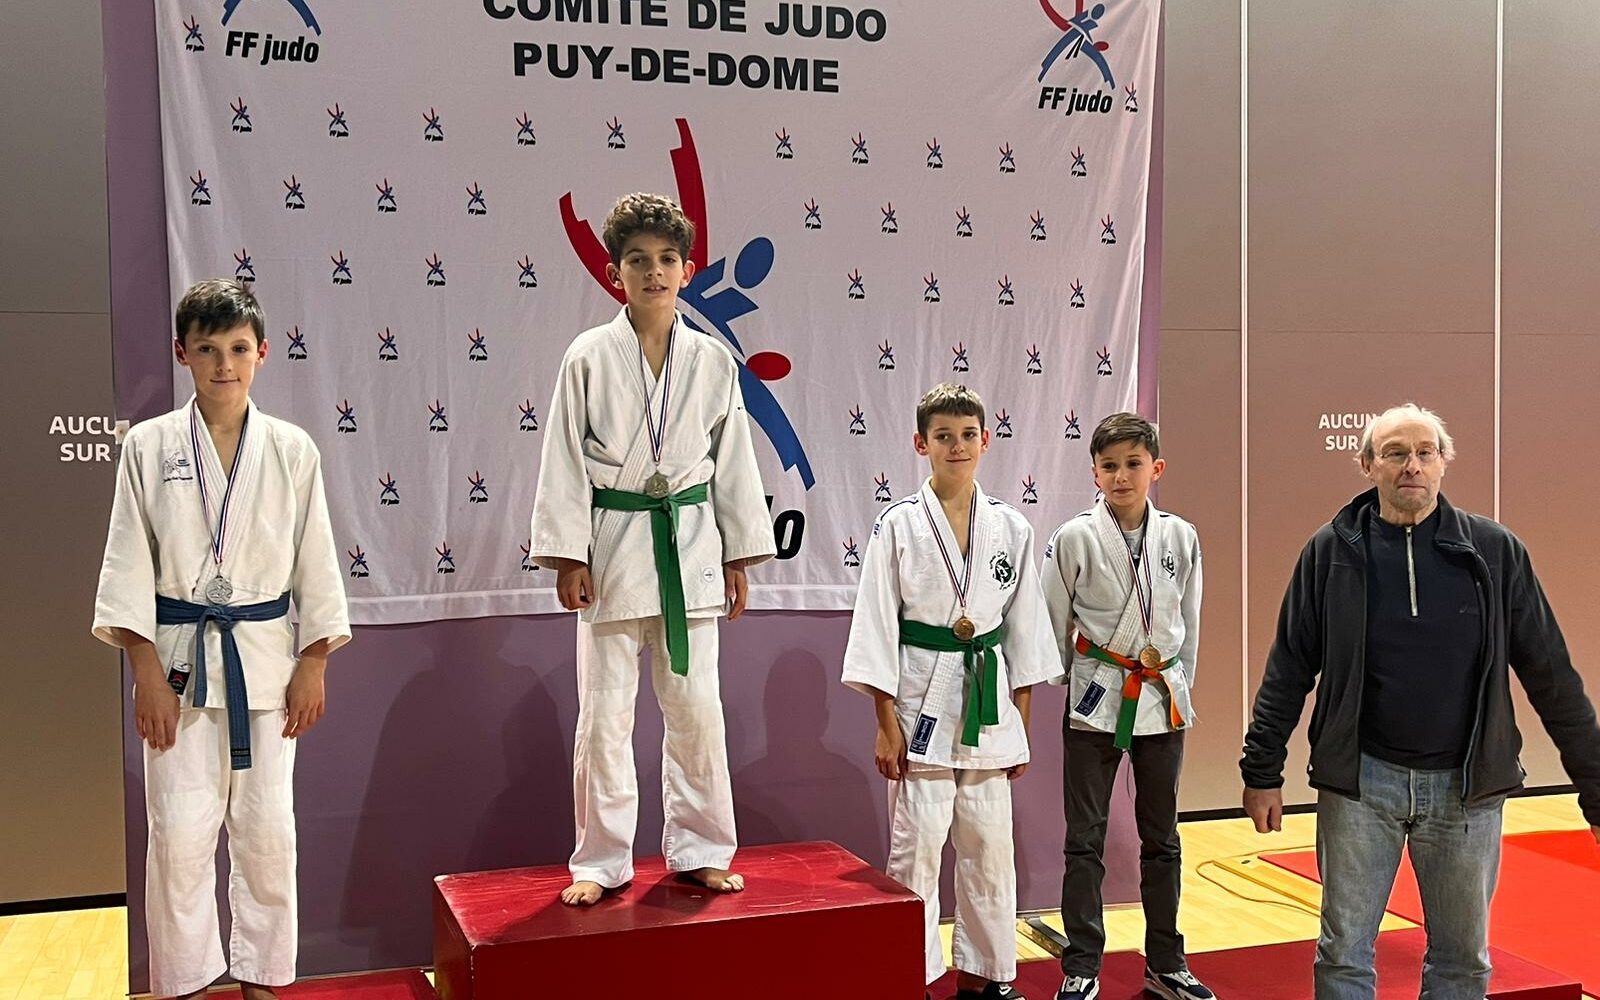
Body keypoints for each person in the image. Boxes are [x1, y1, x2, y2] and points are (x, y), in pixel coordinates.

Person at [1241, 402, 1600, 1000]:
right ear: (1367, 465)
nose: (1411, 465)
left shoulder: (1494, 551)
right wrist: (1261, 771)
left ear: (1443, 464)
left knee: (1462, 960)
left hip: (1467, 788)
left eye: (1424, 453)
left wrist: (1595, 787)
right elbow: (1289, 669)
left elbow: (1552, 676)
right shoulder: (1330, 552)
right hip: (1361, 784)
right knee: (1344, 954)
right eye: (1395, 453)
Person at [92, 278, 351, 999]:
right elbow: (127, 560)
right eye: (206, 349)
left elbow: (316, 560)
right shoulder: (148, 446)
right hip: (175, 667)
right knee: (177, 836)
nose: (223, 364)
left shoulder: (293, 450)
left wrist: (314, 659)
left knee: (268, 832)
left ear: (263, 354)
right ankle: (185, 981)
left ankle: (263, 976)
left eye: (238, 348)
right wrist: (142, 669)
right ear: (182, 354)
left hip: (265, 666)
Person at [529, 192, 776, 906]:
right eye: (638, 261)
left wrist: (736, 556)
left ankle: (700, 848)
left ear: (689, 270)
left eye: (668, 260)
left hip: (690, 544)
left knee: (697, 711)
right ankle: (601, 859)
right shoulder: (587, 356)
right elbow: (563, 462)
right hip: (612, 549)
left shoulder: (711, 361)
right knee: (604, 716)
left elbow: (733, 463)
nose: (655, 272)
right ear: (615, 275)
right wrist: (569, 555)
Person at [843, 383, 1057, 1000]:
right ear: (921, 444)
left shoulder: (1011, 527)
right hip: (920, 698)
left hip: (989, 701)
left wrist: (1019, 727)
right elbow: (878, 624)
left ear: (986, 440)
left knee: (990, 844)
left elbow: (1026, 636)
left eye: (967, 435)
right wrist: (886, 724)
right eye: (943, 436)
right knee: (917, 846)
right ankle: (911, 974)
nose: (956, 446)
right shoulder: (898, 524)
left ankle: (988, 975)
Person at [1043, 413, 1212, 1000]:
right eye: (1109, 466)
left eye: (1133, 464)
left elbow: (1187, 625)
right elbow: (1052, 618)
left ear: (1155, 469)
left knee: (1162, 836)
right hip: (1095, 699)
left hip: (1160, 697)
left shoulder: (1181, 537)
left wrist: (1178, 680)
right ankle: (1082, 965)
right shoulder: (1074, 537)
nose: (1121, 476)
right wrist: (1069, 682)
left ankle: (1167, 962)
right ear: (1093, 472)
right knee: (1083, 836)